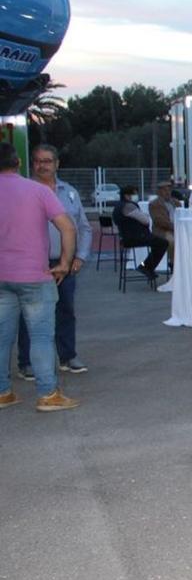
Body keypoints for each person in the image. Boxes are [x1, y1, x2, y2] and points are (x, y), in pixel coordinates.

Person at [0, 141, 79, 412]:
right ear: (19, 162)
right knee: (42, 336)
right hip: (34, 274)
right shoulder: (37, 191)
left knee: (2, 336)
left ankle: (2, 392)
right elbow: (68, 227)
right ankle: (47, 394)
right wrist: (65, 263)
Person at [15, 144, 92, 379]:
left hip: (65, 263)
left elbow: (83, 227)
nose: (42, 165)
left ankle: (67, 356)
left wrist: (79, 256)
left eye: (47, 161)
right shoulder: (23, 191)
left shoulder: (69, 192)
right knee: (29, 313)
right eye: (38, 161)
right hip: (33, 264)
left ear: (57, 164)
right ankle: (26, 362)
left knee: (65, 310)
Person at [112, 185, 170, 281]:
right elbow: (146, 220)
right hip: (137, 236)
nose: (136, 196)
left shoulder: (117, 207)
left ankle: (146, 266)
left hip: (125, 238)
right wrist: (144, 215)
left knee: (157, 243)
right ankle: (146, 266)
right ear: (127, 196)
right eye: (134, 194)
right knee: (163, 243)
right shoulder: (129, 206)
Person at [149, 180, 178, 266]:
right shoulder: (154, 204)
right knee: (172, 242)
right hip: (163, 230)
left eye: (169, 190)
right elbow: (160, 221)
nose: (167, 192)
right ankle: (172, 263)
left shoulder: (175, 202)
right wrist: (175, 227)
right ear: (159, 192)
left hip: (176, 228)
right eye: (164, 190)